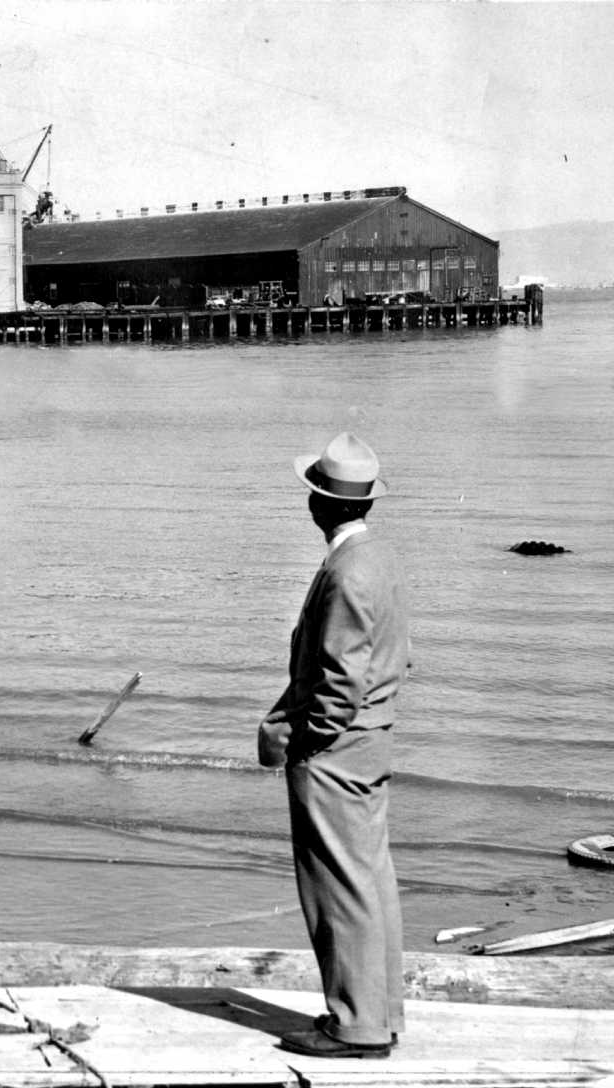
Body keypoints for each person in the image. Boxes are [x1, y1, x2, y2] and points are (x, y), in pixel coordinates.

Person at [258, 432, 410, 1060]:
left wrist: (304, 745)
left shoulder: (346, 572)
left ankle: (355, 1025)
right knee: (369, 879)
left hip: (337, 753)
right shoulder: (377, 559)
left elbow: (339, 685)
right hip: (369, 742)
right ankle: (380, 1013)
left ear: (320, 503)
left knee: (338, 889)